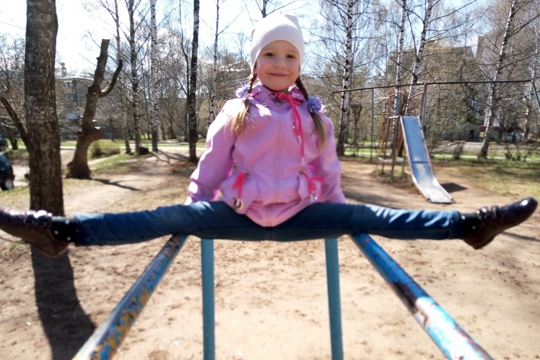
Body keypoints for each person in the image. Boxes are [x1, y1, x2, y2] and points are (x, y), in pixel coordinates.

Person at [0, 13, 537, 259]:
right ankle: (61, 231)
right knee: (163, 217)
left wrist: (340, 214)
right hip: (238, 215)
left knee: (374, 216)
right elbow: (210, 168)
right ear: (255, 62)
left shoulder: (317, 117)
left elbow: (327, 174)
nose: (281, 63)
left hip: (302, 214)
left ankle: (468, 226)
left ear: (300, 64)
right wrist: (194, 209)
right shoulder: (237, 111)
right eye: (270, 54)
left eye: (290, 55)